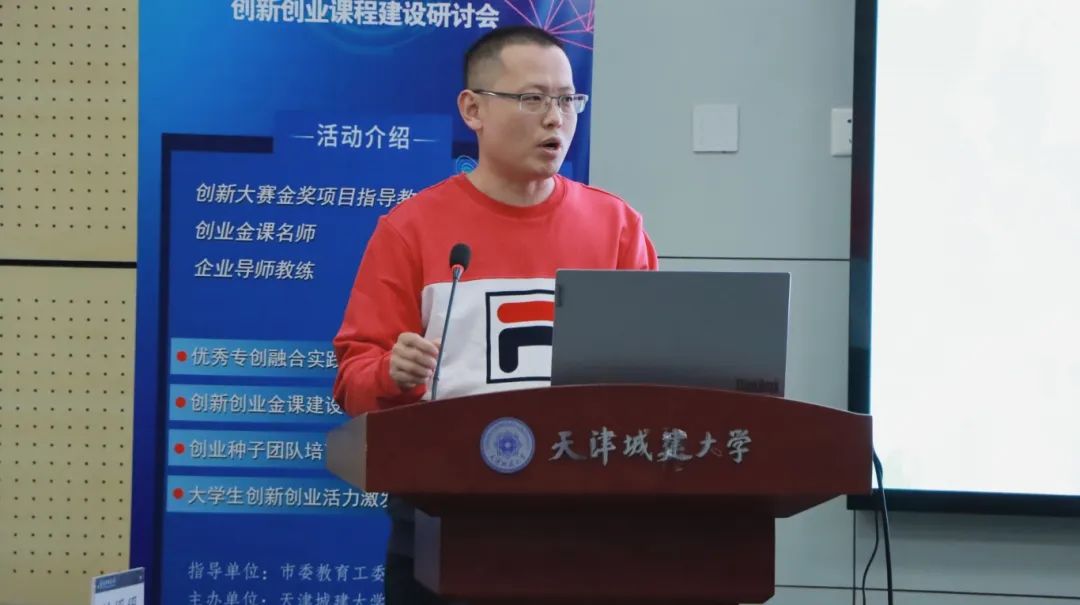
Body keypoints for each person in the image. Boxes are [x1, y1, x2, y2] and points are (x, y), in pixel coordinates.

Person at [331, 24, 658, 605]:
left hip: (587, 524)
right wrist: (391, 373)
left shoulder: (616, 228)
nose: (555, 118)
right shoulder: (411, 229)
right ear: (473, 109)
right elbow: (352, 381)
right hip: (445, 522)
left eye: (568, 100)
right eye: (533, 98)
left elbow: (657, 373)